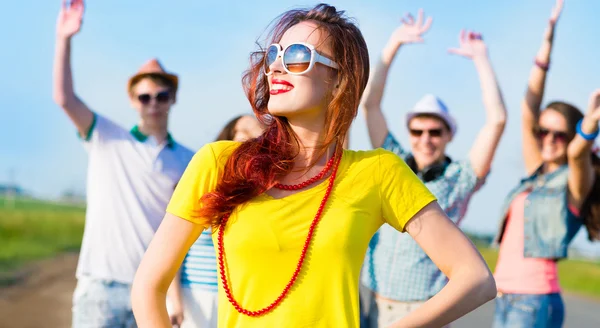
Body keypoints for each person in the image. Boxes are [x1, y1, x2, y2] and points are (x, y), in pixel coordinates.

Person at [131, 4, 496, 328]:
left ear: (338, 82)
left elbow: (475, 278)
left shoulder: (378, 172)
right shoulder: (219, 162)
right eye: (275, 54)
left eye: (297, 56)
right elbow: (149, 286)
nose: (276, 66)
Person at [359, 9, 507, 328]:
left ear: (449, 135)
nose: (426, 139)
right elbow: (370, 104)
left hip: (421, 311)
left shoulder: (460, 179)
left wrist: (481, 59)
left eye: (435, 132)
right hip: (371, 301)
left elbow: (497, 121)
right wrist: (394, 44)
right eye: (417, 131)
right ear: (408, 133)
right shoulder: (392, 162)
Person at [53, 1, 194, 326]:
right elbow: (64, 98)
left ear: (173, 98)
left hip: (152, 290)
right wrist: (64, 39)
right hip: (102, 288)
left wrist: (174, 295)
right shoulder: (106, 136)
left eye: (161, 96)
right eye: (145, 97)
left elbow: (180, 233)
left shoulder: (188, 160)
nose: (153, 104)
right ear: (132, 100)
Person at [491, 1, 600, 327]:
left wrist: (590, 127)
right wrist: (546, 44)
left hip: (535, 301)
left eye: (559, 134)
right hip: (503, 295)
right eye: (543, 131)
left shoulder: (576, 182)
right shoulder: (535, 172)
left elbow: (579, 153)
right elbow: (528, 109)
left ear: (572, 136)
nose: (548, 139)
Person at [167, 115, 265, 328]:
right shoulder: (200, 187)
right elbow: (172, 255)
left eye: (257, 134)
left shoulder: (263, 197)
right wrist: (175, 303)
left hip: (238, 303)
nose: (249, 138)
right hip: (193, 299)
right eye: (243, 132)